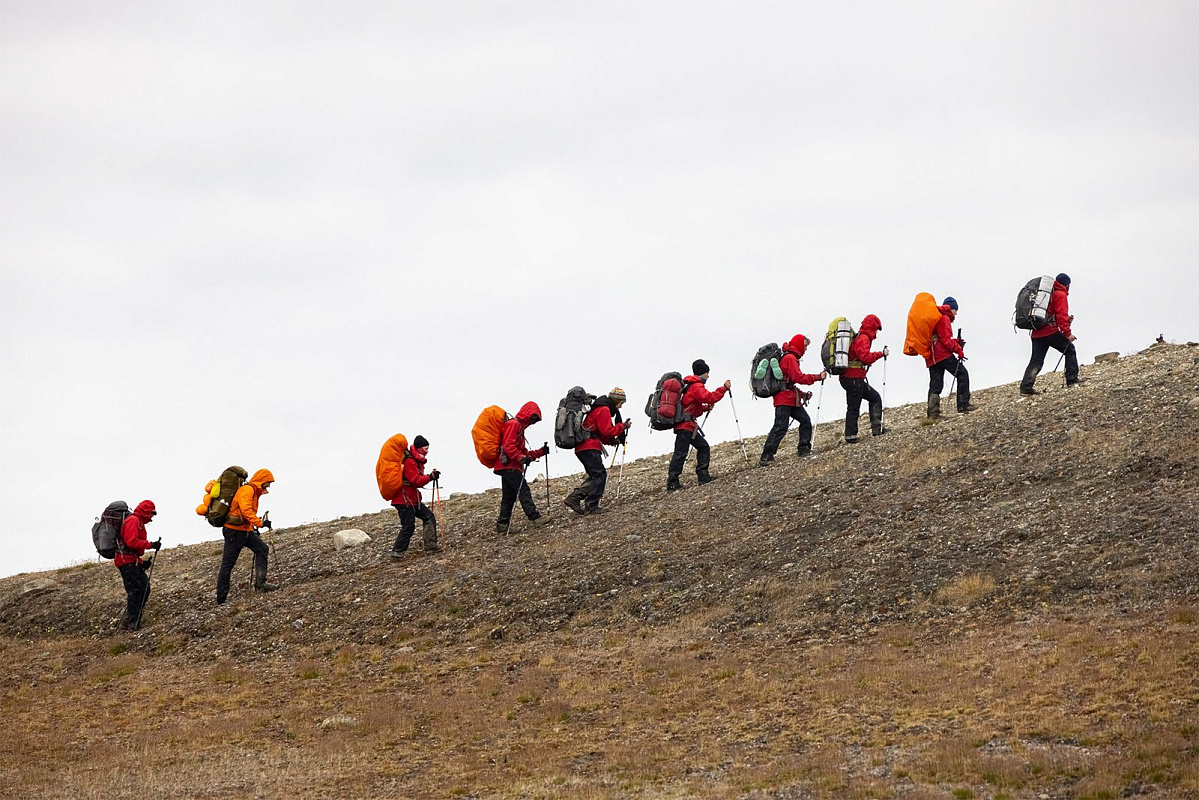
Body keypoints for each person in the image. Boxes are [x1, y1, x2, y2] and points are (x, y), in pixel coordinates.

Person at [759, 335, 827, 466]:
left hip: (788, 398)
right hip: (784, 399)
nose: (806, 349)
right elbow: (798, 377)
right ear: (799, 345)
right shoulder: (790, 358)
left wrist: (802, 395)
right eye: (805, 345)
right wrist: (818, 377)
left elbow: (790, 382)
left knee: (802, 421)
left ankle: (803, 449)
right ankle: (767, 455)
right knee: (781, 426)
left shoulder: (790, 357)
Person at [563, 388, 632, 515]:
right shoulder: (604, 409)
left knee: (596, 475)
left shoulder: (598, 408)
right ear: (616, 401)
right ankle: (586, 503)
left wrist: (612, 441)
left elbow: (599, 432)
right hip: (589, 447)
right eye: (621, 403)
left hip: (584, 447)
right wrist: (622, 426)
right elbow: (607, 431)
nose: (621, 406)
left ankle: (581, 500)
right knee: (599, 475)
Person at [667, 360, 731, 491]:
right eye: (707, 373)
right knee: (682, 453)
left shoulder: (689, 385)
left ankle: (700, 477)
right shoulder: (696, 386)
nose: (708, 376)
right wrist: (723, 388)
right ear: (702, 372)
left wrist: (705, 408)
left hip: (687, 426)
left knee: (700, 448)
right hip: (686, 426)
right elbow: (709, 397)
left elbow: (691, 406)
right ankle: (674, 482)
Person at [216, 468, 277, 604]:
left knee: (262, 549)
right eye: (268, 482)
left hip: (244, 530)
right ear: (261, 480)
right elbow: (245, 511)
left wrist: (252, 528)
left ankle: (261, 584)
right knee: (227, 564)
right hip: (234, 531)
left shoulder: (254, 492)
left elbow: (244, 513)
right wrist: (260, 523)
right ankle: (221, 599)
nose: (269, 485)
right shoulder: (247, 490)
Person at [1020, 273, 1080, 394]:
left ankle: (1026, 387)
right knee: (1070, 350)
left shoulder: (1046, 295)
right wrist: (1068, 334)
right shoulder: (1060, 294)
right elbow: (1061, 316)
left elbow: (1051, 314)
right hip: (1050, 331)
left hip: (1036, 333)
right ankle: (1072, 380)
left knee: (1036, 361)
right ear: (1067, 285)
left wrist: (1065, 322)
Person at [495, 402, 549, 532]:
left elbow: (523, 452)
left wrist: (541, 452)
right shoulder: (514, 425)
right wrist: (521, 458)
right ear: (527, 414)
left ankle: (502, 525)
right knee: (523, 490)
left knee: (509, 496)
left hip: (505, 465)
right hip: (510, 465)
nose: (532, 422)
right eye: (533, 418)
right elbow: (509, 447)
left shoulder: (517, 427)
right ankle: (535, 517)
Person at [390, 435, 442, 558]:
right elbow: (415, 480)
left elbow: (416, 480)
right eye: (425, 449)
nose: (427, 451)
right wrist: (430, 477)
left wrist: (429, 477)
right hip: (404, 499)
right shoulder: (410, 461)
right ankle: (397, 551)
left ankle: (430, 546)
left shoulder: (414, 460)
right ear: (419, 448)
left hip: (411, 499)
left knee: (428, 517)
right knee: (408, 525)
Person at [840, 315, 888, 443]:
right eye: (876, 329)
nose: (876, 333)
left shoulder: (859, 337)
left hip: (851, 377)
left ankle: (876, 429)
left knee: (873, 398)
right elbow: (865, 357)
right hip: (854, 378)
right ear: (872, 327)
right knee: (854, 406)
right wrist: (881, 354)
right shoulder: (863, 338)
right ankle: (851, 436)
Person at [115, 500, 160, 631]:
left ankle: (130, 620)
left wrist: (141, 563)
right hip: (126, 561)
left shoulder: (137, 522)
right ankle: (132, 623)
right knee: (136, 591)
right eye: (151, 514)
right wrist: (150, 545)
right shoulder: (133, 520)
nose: (151, 518)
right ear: (146, 512)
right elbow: (132, 542)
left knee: (143, 589)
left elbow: (132, 547)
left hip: (131, 560)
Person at [925, 297, 974, 418]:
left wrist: (956, 342)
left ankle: (933, 413)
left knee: (935, 384)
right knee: (962, 374)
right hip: (942, 354)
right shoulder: (944, 318)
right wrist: (958, 349)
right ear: (951, 308)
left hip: (932, 356)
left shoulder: (936, 317)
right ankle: (963, 404)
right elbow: (946, 340)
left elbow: (941, 337)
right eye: (955, 310)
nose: (956, 313)